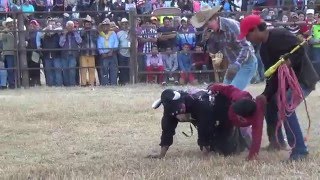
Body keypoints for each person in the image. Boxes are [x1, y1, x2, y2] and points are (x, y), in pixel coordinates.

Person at [239, 15, 319, 161]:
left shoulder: (280, 34)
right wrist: (266, 94)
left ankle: (300, 150)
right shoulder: (263, 50)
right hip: (290, 82)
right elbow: (272, 76)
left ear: (256, 29)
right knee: (281, 105)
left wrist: (290, 60)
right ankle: (294, 145)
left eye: (248, 35)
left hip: (303, 79)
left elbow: (302, 47)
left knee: (286, 106)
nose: (247, 39)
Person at [190, 6, 257, 91]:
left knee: (232, 91)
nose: (207, 27)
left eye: (208, 23)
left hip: (247, 63)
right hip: (233, 63)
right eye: (205, 25)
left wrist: (237, 64)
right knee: (224, 92)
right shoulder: (211, 32)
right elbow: (214, 51)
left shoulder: (231, 25)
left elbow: (245, 46)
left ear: (215, 18)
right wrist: (208, 41)